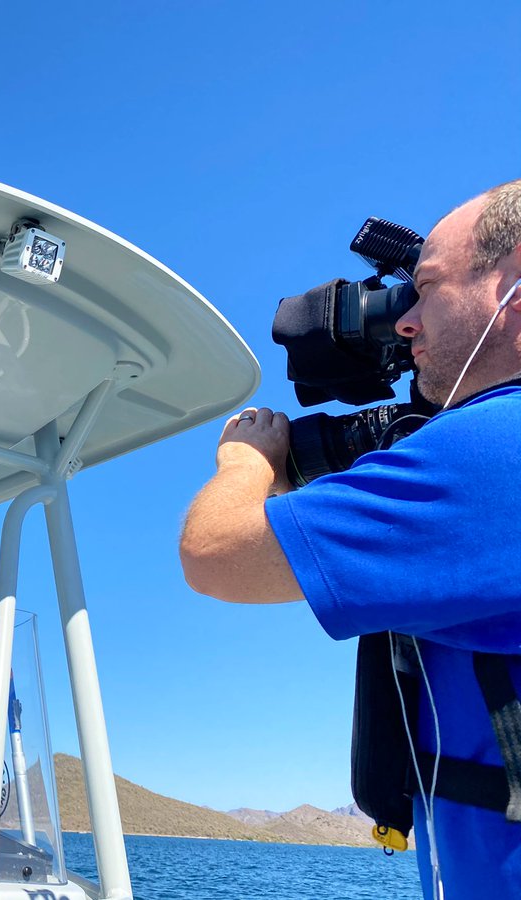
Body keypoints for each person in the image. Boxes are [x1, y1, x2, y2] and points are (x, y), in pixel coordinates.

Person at [179, 180, 521, 899]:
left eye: (426, 289)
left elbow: (215, 554)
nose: (405, 323)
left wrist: (248, 460)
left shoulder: (494, 452)